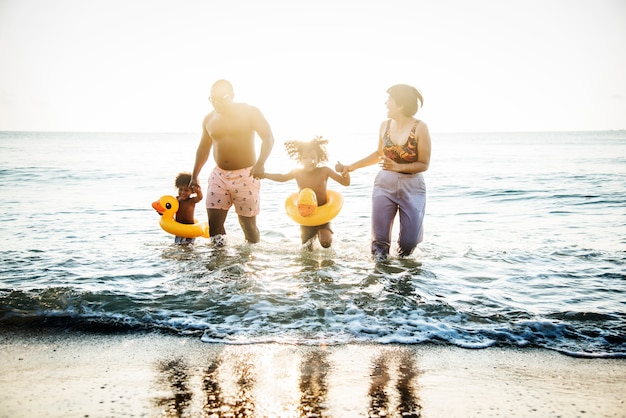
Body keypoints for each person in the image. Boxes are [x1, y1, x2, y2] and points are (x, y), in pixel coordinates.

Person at [336, 84, 431, 260]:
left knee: (408, 244)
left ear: (401, 104)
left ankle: (403, 277)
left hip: (413, 187)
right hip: (384, 185)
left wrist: (399, 167)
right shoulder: (384, 126)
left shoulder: (419, 127)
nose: (386, 103)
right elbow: (379, 154)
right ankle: (381, 276)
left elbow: (424, 164)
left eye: (390, 100)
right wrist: (352, 166)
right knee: (379, 245)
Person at [189, 79, 275, 245]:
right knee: (214, 225)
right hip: (219, 175)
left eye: (221, 97)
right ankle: (220, 262)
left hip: (247, 174)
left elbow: (268, 138)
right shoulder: (209, 119)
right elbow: (203, 148)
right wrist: (194, 176)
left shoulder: (250, 112)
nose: (216, 102)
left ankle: (250, 260)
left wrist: (260, 163)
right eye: (213, 98)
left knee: (248, 226)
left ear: (232, 95)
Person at [262, 136, 350, 249]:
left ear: (319, 158)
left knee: (326, 242)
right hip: (306, 216)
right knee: (307, 249)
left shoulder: (324, 171)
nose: (309, 160)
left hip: (324, 214)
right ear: (300, 159)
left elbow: (345, 183)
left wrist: (344, 172)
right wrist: (264, 175)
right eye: (305, 157)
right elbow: (282, 178)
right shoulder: (297, 172)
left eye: (313, 157)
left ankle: (328, 263)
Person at [173, 171, 203, 245]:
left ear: (192, 191)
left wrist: (198, 191)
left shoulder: (191, 201)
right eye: (180, 190)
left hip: (189, 230)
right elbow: (169, 210)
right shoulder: (176, 200)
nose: (183, 192)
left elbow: (200, 198)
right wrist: (161, 213)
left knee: (188, 247)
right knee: (178, 245)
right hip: (179, 230)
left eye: (186, 190)